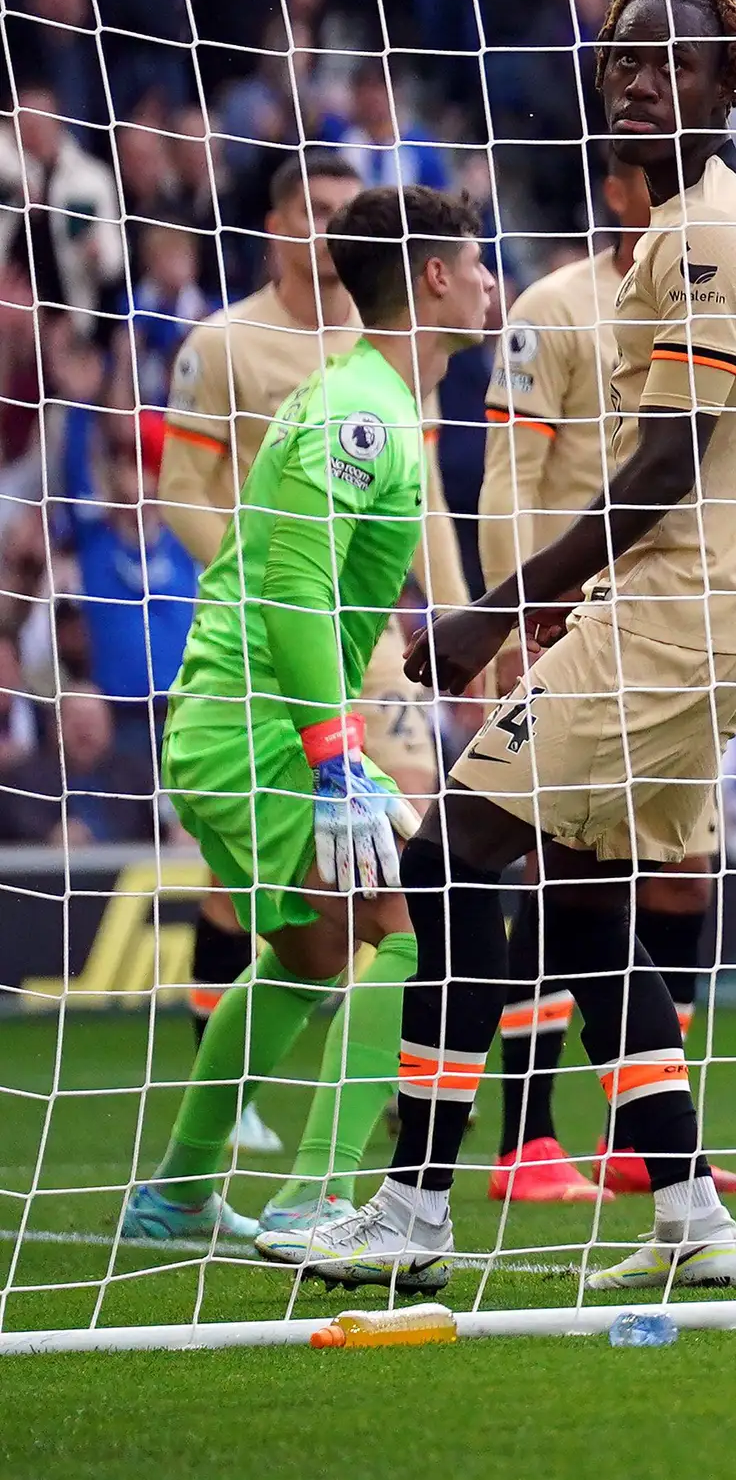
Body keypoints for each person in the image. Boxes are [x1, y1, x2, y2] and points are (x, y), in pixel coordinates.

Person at [304, 0, 736, 1295]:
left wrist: (488, 614)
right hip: (721, 609)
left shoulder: (703, 237)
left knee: (459, 852)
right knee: (586, 900)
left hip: (676, 608)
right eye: (625, 59)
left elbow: (664, 467)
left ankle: (414, 1207)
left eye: (674, 62)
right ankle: (694, 1210)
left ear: (729, 84)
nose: (640, 78)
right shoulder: (732, 214)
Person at [121, 187, 496, 1257]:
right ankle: (315, 1199)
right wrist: (335, 762)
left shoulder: (373, 398)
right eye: (475, 263)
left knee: (311, 951)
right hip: (259, 726)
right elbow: (292, 590)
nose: (487, 281)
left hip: (245, 719)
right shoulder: (358, 413)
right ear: (430, 278)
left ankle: (180, 1196)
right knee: (411, 939)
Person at [154, 152, 367, 1168]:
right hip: (257, 648)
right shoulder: (223, 344)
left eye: (344, 213)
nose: (328, 228)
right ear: (278, 225)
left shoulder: (375, 352)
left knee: (394, 879)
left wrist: (460, 614)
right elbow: (182, 489)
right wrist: (260, 578)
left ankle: (378, 1114)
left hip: (355, 645)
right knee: (241, 889)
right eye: (313, 211)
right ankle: (228, 1102)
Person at [465, 160, 663, 1206]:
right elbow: (511, 476)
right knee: (554, 864)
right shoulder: (552, 307)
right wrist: (514, 611)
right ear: (621, 191)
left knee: (667, 872)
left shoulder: (706, 297)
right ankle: (526, 1141)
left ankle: (649, 1136)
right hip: (571, 620)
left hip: (673, 628)